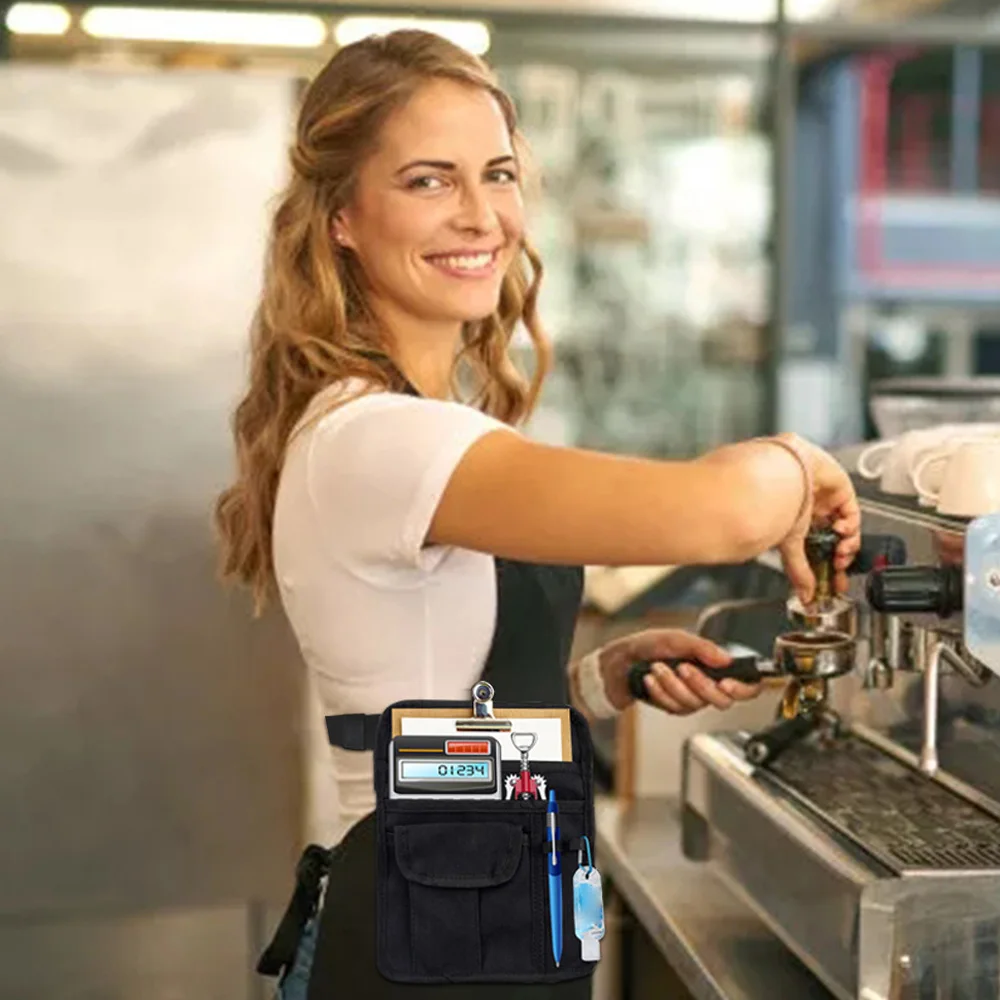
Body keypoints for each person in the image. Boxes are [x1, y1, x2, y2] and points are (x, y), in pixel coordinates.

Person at [214, 29, 861, 1000]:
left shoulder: (422, 424)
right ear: (342, 216)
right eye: (429, 181)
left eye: (499, 174)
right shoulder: (381, 439)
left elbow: (427, 708)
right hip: (425, 942)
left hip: (475, 913)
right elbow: (724, 513)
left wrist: (598, 682)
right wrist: (801, 462)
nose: (481, 216)